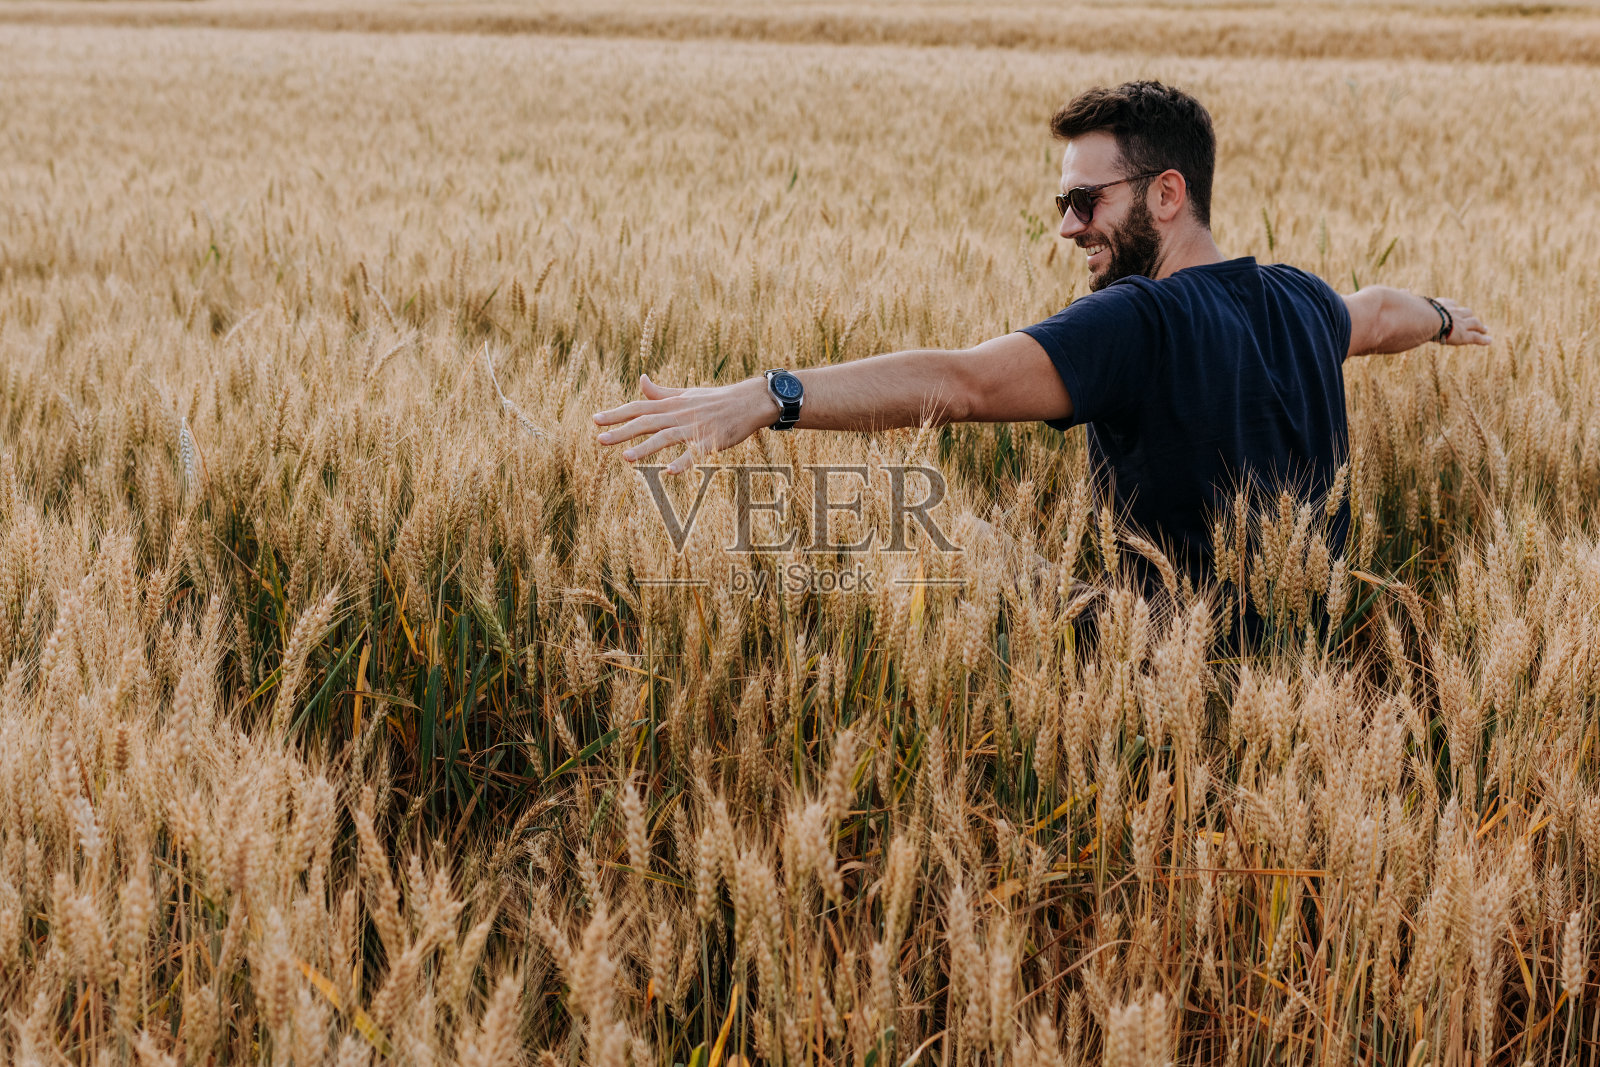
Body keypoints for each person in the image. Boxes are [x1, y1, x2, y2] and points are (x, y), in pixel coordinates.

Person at [591, 80, 1490, 624]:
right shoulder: (1298, 298)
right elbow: (1377, 314)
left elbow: (967, 381)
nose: (1066, 226)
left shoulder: (1140, 320)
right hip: (1306, 653)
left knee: (907, 516)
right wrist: (1448, 317)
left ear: (1166, 194)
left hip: (1150, 673)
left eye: (1085, 201)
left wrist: (772, 394)